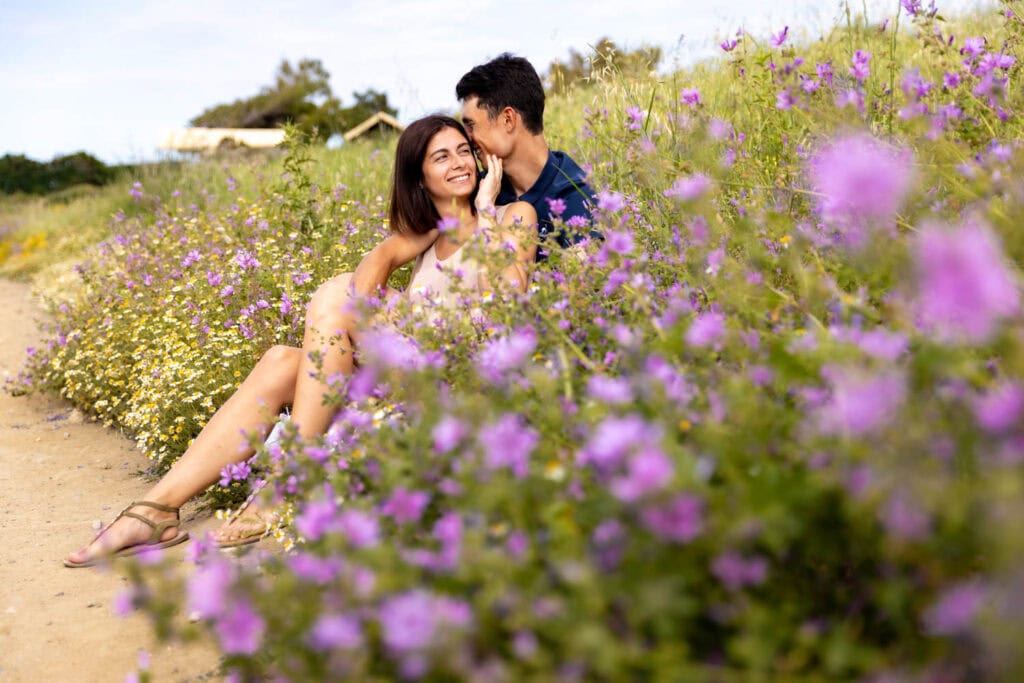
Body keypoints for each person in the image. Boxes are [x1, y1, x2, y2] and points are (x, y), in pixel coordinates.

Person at [64, 115, 536, 567]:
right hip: (399, 378)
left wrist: (486, 214)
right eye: (440, 157)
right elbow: (364, 287)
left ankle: (289, 481)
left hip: (457, 385)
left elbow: (507, 302)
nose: (457, 163)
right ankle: (157, 509)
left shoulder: (515, 215)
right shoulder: (425, 242)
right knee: (280, 361)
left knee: (334, 294)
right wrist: (397, 252)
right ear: (418, 178)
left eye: (463, 151)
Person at [456, 53, 599, 260]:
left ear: (508, 119)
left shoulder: (577, 199)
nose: (466, 139)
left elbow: (576, 286)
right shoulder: (480, 186)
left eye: (471, 125)